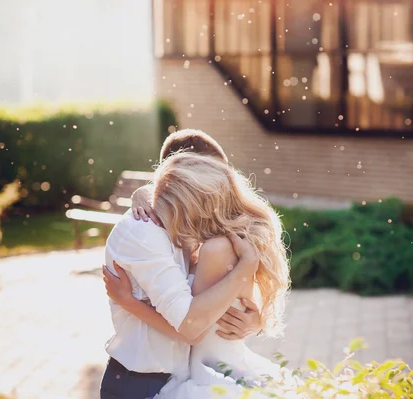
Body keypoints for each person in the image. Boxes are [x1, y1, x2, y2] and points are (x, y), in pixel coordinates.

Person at [105, 152, 291, 398]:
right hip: (157, 377)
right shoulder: (197, 240)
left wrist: (128, 302)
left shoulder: (217, 248)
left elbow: (194, 329)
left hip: (197, 376)